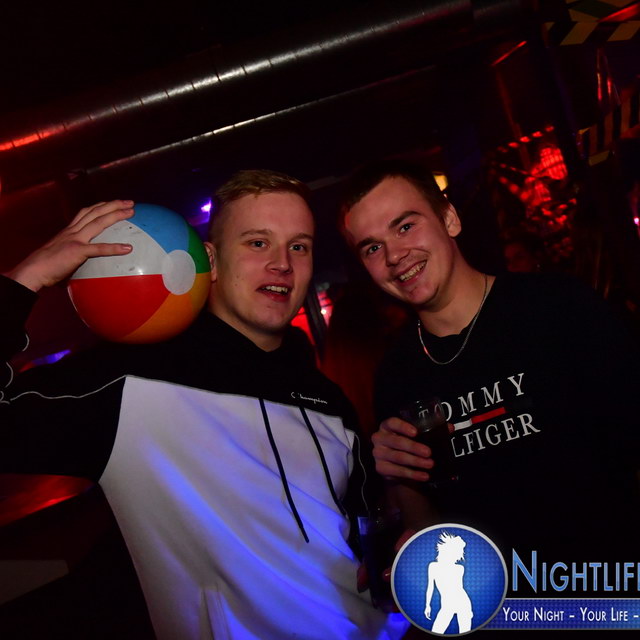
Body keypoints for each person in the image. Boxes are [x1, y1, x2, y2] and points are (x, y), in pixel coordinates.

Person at [0, 170, 408, 639]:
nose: (282, 264)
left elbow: (367, 534)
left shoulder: (329, 400)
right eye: (258, 243)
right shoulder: (130, 381)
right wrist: (27, 277)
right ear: (210, 260)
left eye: (298, 246)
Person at [337, 158, 640, 582]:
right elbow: (429, 527)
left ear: (450, 218)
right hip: (499, 605)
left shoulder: (560, 309)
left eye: (405, 226)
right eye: (372, 247)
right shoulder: (396, 375)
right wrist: (396, 476)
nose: (394, 255)